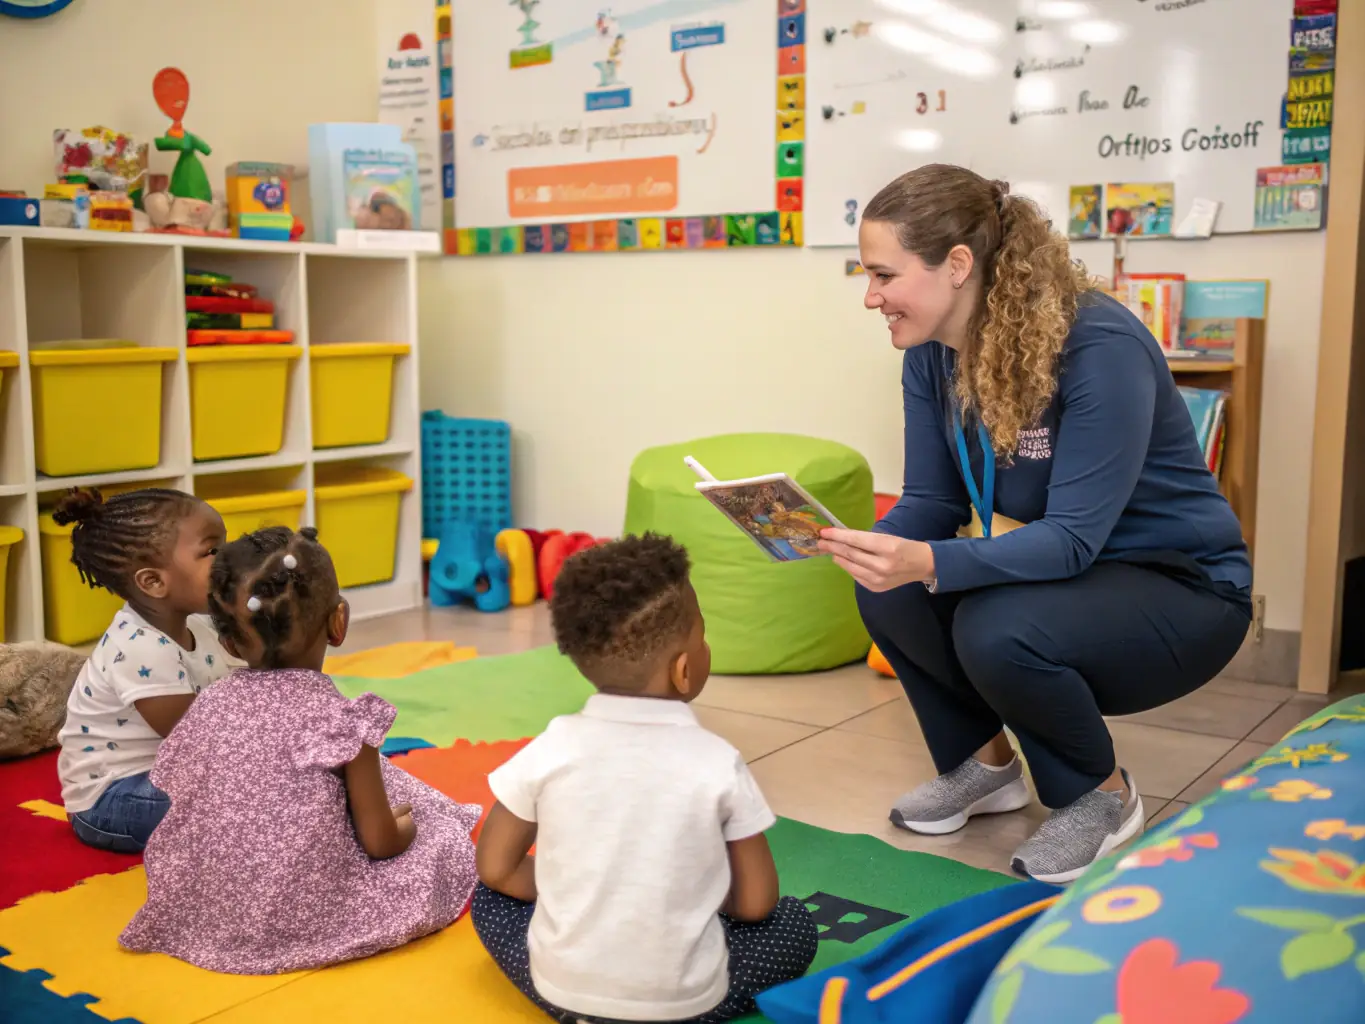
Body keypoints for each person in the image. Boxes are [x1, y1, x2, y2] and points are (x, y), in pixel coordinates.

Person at [819, 164, 1252, 884]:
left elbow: (1074, 537)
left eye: (882, 275)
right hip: (1072, 574)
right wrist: (866, 544)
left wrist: (926, 562)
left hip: (1182, 590)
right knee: (887, 591)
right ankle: (987, 769)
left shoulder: (1097, 344)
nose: (871, 298)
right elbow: (932, 500)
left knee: (995, 625)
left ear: (957, 265)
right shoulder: (930, 354)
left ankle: (1101, 797)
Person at [472, 534, 817, 1023]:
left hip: (562, 991)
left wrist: (575, 897)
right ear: (682, 670)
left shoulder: (550, 746)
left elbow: (497, 869)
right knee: (792, 925)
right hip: (682, 1006)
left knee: (489, 900)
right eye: (703, 634)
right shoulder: (717, 761)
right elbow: (756, 902)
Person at [119, 526, 481, 973]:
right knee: (442, 836)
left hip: (210, 907)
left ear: (229, 643)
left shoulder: (209, 704)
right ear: (339, 621)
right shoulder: (341, 721)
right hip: (299, 914)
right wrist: (409, 827)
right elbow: (382, 844)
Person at [55, 487, 231, 853]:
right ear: (153, 582)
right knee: (244, 800)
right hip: (111, 799)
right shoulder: (141, 648)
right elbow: (200, 740)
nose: (230, 560)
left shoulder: (198, 627)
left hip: (168, 773)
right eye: (212, 551)